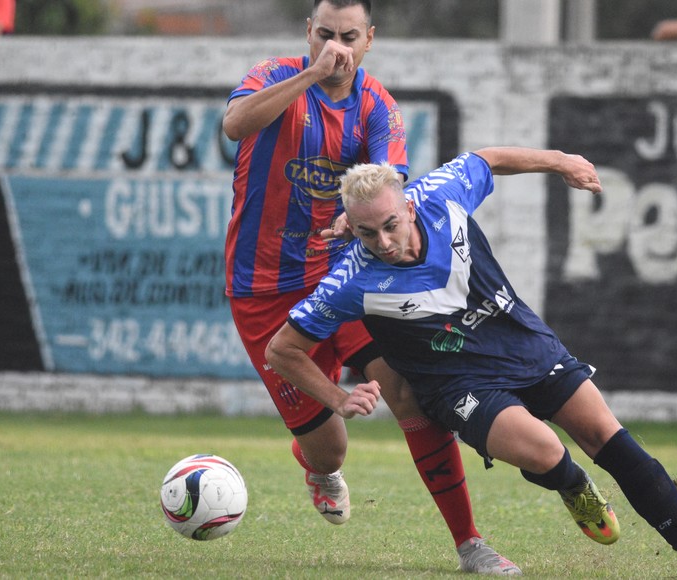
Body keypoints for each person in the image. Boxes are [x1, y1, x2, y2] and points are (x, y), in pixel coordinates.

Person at [266, 147, 677, 579]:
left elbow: (488, 158)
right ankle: (573, 485)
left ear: (408, 206)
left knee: (607, 437)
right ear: (354, 228)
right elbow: (281, 350)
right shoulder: (352, 280)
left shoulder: (439, 195)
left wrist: (560, 161)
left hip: (521, 342)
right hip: (456, 381)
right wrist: (339, 399)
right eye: (367, 232)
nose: (384, 242)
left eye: (391, 224)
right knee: (549, 452)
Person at [222, 0, 519, 575]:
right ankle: (317, 464)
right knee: (331, 446)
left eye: (349, 37)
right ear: (308, 33)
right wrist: (310, 76)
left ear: (369, 40)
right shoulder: (275, 76)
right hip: (261, 286)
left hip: (342, 275)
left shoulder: (376, 105)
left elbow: (389, 182)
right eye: (325, 35)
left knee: (405, 392)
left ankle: (470, 544)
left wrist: (360, 217)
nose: (337, 47)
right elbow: (235, 126)